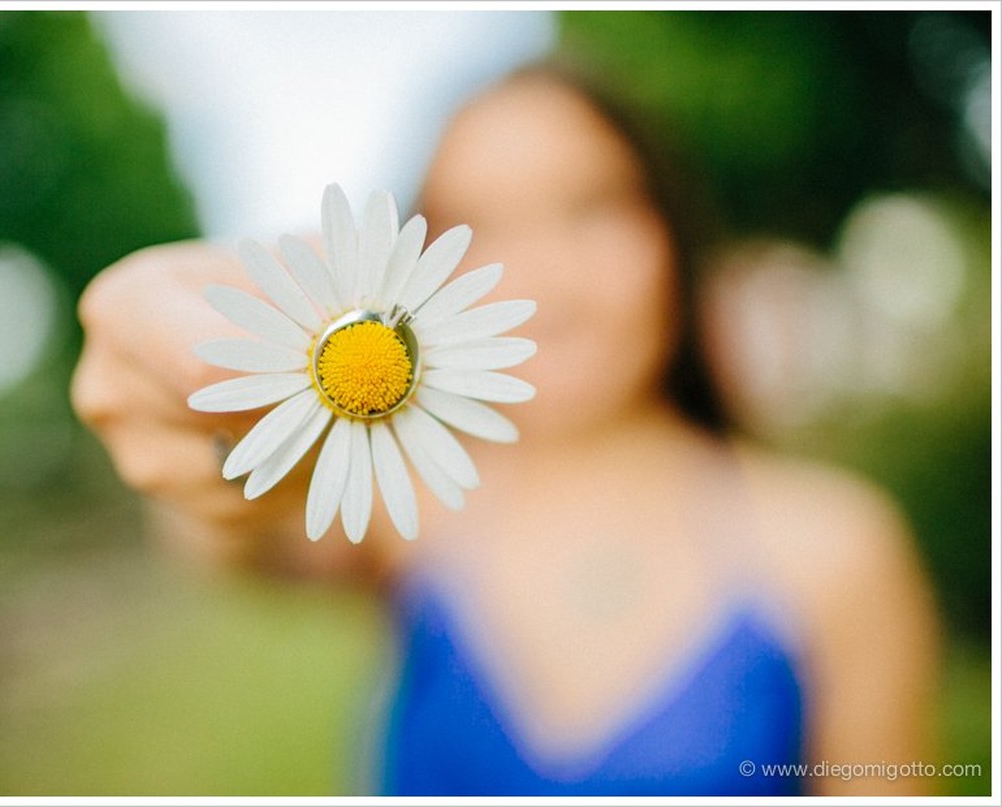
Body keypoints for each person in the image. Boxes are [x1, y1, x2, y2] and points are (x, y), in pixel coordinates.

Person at [71, 64, 939, 796]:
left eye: (592, 206)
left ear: (670, 232)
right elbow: (232, 543)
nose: (540, 277)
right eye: (477, 226)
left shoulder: (838, 549)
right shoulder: (408, 508)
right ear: (416, 274)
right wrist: (218, 435)